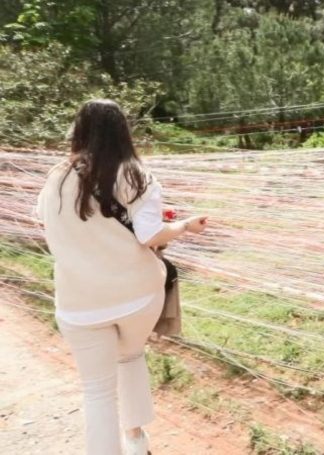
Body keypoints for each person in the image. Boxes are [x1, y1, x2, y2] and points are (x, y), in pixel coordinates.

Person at [36, 99, 208, 455]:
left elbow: (44, 221)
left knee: (97, 391)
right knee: (130, 356)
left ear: (78, 130)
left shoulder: (56, 177)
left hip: (79, 304)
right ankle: (136, 439)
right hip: (138, 296)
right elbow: (149, 235)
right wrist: (184, 226)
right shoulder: (134, 174)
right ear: (122, 130)